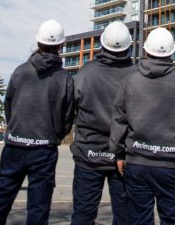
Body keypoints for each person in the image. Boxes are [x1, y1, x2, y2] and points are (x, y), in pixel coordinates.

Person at [0, 20, 76, 225]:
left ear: (37, 41)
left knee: (0, 202)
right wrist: (55, 135)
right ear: (61, 45)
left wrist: (16, 128)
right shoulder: (64, 78)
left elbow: (9, 104)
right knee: (38, 206)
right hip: (44, 149)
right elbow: (68, 116)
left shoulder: (20, 71)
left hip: (14, 146)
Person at [110, 27, 175, 225]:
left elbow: (119, 121)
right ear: (171, 52)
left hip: (137, 164)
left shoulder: (129, 81)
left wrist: (119, 154)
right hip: (168, 165)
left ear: (145, 50)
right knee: (174, 220)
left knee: (139, 220)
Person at [70, 21, 136, 225]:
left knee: (82, 215)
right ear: (129, 46)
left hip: (88, 153)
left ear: (102, 44)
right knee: (125, 217)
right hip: (124, 157)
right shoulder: (137, 76)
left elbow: (72, 109)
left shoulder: (85, 73)